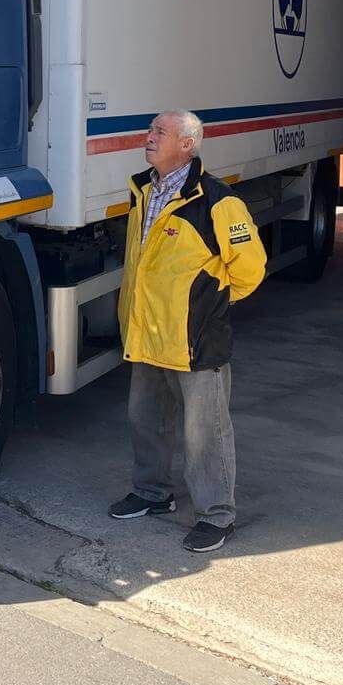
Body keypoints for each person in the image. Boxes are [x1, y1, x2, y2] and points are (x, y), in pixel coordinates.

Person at [107, 111, 266, 553]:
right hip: (148, 332)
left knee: (205, 433)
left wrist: (215, 303)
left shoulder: (218, 201)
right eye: (151, 130)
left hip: (195, 340)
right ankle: (151, 493)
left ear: (187, 144)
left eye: (161, 132)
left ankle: (217, 515)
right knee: (146, 421)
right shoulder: (144, 191)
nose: (149, 137)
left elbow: (251, 267)